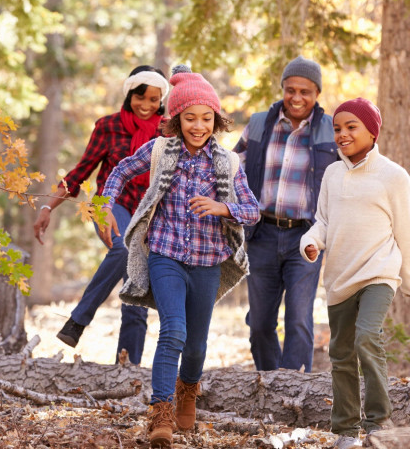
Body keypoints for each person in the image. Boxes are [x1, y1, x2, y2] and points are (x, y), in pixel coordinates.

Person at [99, 66, 259, 448]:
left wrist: (223, 208)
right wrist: (104, 203)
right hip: (165, 256)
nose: (198, 126)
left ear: (216, 121)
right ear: (175, 119)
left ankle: (188, 392)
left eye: (206, 118)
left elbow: (252, 210)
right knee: (173, 331)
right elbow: (120, 170)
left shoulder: (227, 163)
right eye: (190, 118)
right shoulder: (159, 151)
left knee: (198, 344)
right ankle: (160, 414)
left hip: (207, 262)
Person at [300, 98, 410, 449]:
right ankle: (344, 432)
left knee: (366, 337)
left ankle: (378, 423)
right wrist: (311, 243)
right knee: (340, 355)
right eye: (337, 128)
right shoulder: (332, 173)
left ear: (372, 131)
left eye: (351, 127)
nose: (342, 134)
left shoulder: (393, 176)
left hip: (379, 273)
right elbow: (322, 222)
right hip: (340, 277)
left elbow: (405, 232)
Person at [33, 65, 170, 365]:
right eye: (140, 98)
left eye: (153, 99)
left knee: (136, 295)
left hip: (148, 216)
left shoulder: (168, 132)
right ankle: (78, 320)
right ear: (129, 94)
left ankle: (127, 369)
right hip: (110, 206)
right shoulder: (108, 126)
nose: (146, 106)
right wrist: (47, 207)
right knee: (123, 249)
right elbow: (81, 172)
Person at [233, 55, 338, 372]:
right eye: (290, 89)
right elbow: (232, 168)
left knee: (298, 317)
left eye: (305, 91)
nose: (296, 97)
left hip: (306, 236)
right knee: (261, 323)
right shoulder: (259, 124)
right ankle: (269, 382)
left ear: (316, 93)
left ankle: (294, 385)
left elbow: (350, 176)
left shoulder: (331, 130)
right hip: (262, 234)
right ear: (282, 89)